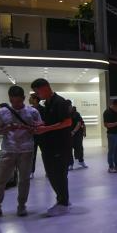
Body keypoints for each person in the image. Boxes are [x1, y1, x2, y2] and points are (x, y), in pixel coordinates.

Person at [0, 86, 43, 218]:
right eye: (13, 101)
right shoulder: (2, 111)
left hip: (26, 150)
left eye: (19, 101)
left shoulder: (32, 112)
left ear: (24, 98)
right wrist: (7, 128)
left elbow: (39, 129)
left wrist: (28, 128)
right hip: (8, 149)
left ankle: (22, 206)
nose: (16, 104)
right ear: (9, 98)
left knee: (24, 180)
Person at [31, 78, 74, 216]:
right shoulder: (47, 103)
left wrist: (46, 129)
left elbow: (67, 122)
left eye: (37, 91)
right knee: (52, 174)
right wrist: (41, 126)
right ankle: (63, 200)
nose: (37, 95)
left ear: (45, 88)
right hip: (49, 146)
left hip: (59, 146)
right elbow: (51, 121)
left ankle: (63, 203)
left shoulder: (60, 102)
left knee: (58, 175)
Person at [68, 105, 87, 170]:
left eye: (70, 107)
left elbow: (80, 123)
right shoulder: (64, 114)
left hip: (77, 134)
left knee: (79, 148)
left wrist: (83, 131)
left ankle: (81, 161)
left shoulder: (76, 114)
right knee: (69, 149)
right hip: (68, 135)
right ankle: (70, 164)